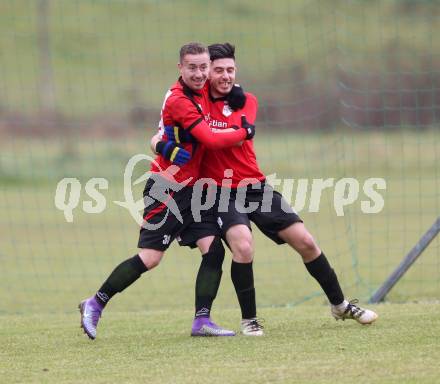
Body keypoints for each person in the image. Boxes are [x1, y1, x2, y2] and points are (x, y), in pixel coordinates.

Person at [158, 43, 378, 336]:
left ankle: (340, 305)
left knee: (306, 241)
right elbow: (202, 134)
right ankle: (249, 320)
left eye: (230, 70)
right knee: (243, 245)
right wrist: (163, 143)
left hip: (255, 186)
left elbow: (232, 134)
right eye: (218, 70)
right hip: (218, 192)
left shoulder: (247, 100)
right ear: (207, 71)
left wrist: (228, 128)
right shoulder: (194, 103)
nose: (224, 76)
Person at [79, 42, 255, 340]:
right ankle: (95, 303)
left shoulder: (202, 88)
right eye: (193, 68)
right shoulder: (178, 100)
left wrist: (236, 89)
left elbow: (220, 87)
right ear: (180, 68)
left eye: (203, 67)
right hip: (166, 188)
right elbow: (210, 140)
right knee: (150, 257)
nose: (200, 74)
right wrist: (245, 132)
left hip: (194, 190)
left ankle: (202, 321)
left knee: (213, 251)